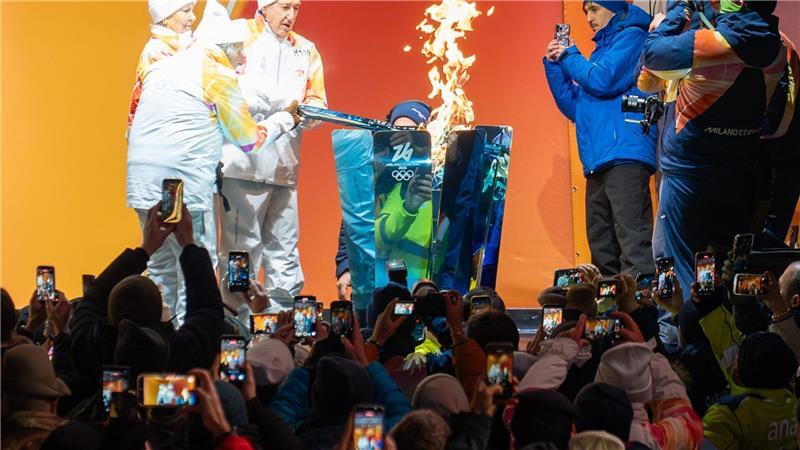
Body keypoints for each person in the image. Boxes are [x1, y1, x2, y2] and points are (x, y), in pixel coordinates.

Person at [126, 5, 299, 323]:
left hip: (142, 179)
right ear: (225, 49)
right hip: (175, 186)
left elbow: (133, 120)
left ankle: (160, 345)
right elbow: (249, 140)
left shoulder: (164, 65)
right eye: (239, 52)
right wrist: (285, 119)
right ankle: (197, 347)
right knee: (196, 266)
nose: (243, 61)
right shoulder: (215, 72)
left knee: (161, 269)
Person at [639, 0, 785, 298]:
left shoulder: (712, 42)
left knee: (679, 273)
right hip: (738, 171)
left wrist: (679, 12)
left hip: (688, 176)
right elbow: (779, 119)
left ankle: (689, 340)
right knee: (727, 270)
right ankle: (732, 340)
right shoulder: (780, 48)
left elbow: (650, 59)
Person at [219, 0, 327, 314]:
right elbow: (228, 91)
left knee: (285, 251)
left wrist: (306, 113)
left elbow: (317, 102)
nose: (290, 15)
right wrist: (282, 103)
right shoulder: (237, 36)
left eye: (296, 8)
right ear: (265, 7)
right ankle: (237, 318)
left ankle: (284, 320)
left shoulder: (307, 50)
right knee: (241, 252)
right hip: (243, 167)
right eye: (283, 7)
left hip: (285, 168)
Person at [543, 0, 657, 277]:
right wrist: (555, 65)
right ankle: (609, 317)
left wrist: (570, 55)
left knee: (633, 246)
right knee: (602, 249)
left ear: (614, 6)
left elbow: (603, 81)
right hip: (597, 160)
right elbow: (576, 108)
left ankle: (641, 316)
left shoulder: (633, 36)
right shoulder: (597, 54)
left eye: (594, 8)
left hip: (625, 155)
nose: (589, 17)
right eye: (585, 11)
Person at [335, 100, 433, 320]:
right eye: (397, 130)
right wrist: (345, 267)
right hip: (374, 281)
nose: (402, 136)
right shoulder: (374, 173)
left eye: (412, 131)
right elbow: (352, 224)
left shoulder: (434, 179)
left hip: (421, 282)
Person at [127, 0, 197, 130]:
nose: (193, 18)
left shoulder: (188, 44)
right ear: (165, 18)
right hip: (161, 132)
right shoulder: (156, 51)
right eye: (186, 11)